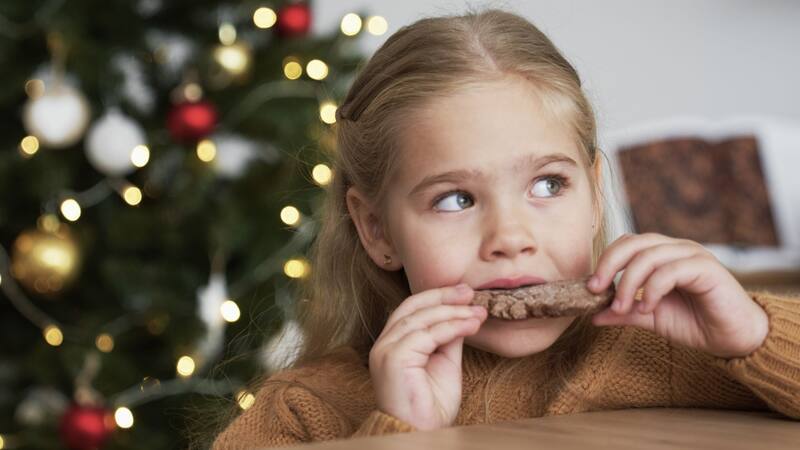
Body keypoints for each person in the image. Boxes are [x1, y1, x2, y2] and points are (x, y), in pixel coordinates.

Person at [211, 7, 800, 449]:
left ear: (595, 194)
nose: (511, 237)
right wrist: (402, 434)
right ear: (377, 231)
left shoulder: (675, 354)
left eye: (548, 185)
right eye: (456, 199)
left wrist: (751, 333)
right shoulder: (304, 414)